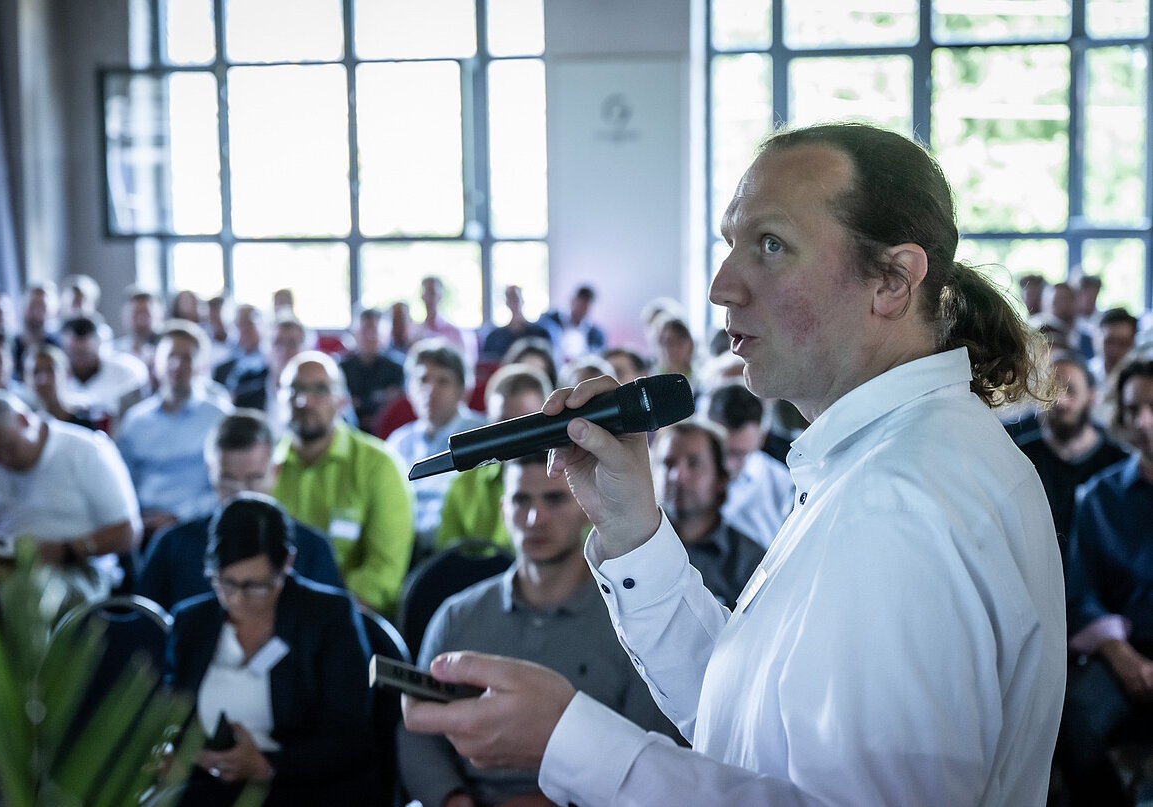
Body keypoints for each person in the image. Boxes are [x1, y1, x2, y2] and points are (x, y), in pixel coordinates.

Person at [403, 121, 1066, 806]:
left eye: (771, 246)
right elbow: (749, 723)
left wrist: (570, 742)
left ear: (892, 282)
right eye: (730, 245)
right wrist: (633, 528)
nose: (723, 286)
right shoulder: (877, 462)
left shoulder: (901, 499)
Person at [397, 453, 679, 807]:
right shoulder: (457, 615)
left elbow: (650, 744)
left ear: (584, 507)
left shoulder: (629, 619)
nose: (534, 518)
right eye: (520, 501)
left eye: (554, 499)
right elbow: (419, 734)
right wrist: (453, 800)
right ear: (503, 510)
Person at [164, 493, 382, 805]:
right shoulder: (191, 622)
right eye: (226, 583)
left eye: (255, 585)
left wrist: (267, 765)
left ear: (287, 564)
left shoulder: (328, 618)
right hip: (210, 789)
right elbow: (174, 716)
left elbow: (351, 739)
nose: (237, 599)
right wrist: (179, 756)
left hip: (304, 789)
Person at [1059, 357, 1153, 805]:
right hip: (1123, 651)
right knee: (1068, 713)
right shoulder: (1100, 495)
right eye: (1134, 410)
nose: (1145, 422)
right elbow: (1081, 592)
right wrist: (1121, 654)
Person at [138, 409, 341, 611]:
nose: (242, 493)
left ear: (276, 472)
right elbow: (141, 632)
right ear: (211, 472)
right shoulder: (172, 546)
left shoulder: (314, 550)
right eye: (229, 481)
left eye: (254, 479)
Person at [269, 351, 414, 615]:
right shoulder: (264, 467)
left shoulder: (380, 465)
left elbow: (383, 574)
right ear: (279, 398)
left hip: (350, 619)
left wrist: (322, 615)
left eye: (320, 390)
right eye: (294, 389)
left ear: (343, 401)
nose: (304, 401)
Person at [0, 390, 141, 593]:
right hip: (5, 568)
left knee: (29, 594)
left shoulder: (86, 450)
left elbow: (128, 532)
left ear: (24, 421)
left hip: (78, 567)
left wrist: (65, 550)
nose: (2, 460)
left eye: (9, 448)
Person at [116, 322, 234, 538]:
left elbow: (229, 484)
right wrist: (141, 518)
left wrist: (179, 516)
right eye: (170, 356)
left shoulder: (219, 417)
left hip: (200, 526)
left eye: (187, 358)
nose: (177, 365)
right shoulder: (135, 421)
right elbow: (122, 482)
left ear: (200, 365)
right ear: (156, 363)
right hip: (142, 528)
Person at [1013, 351, 1129, 553]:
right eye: (1049, 390)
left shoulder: (1119, 465)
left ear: (1091, 396)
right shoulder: (1018, 458)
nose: (1059, 400)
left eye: (1070, 390)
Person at [436, 364, 554, 552]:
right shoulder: (463, 486)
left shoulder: (570, 483)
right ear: (488, 422)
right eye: (502, 424)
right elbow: (448, 564)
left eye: (525, 422)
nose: (513, 437)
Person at [652, 420, 766, 608]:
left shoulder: (751, 564)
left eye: (693, 463)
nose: (677, 476)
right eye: (668, 463)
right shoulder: (638, 546)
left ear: (721, 478)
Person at [386, 339, 485, 552]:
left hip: (460, 550)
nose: (430, 390)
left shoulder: (481, 436)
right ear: (409, 390)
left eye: (443, 381)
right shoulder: (399, 441)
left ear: (462, 390)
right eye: (422, 380)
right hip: (402, 548)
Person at [705, 382, 794, 549]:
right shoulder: (679, 473)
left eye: (740, 454)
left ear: (761, 438)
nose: (728, 465)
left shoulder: (782, 484)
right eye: (720, 451)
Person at [340, 307, 404, 435]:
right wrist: (381, 398)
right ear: (354, 333)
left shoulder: (398, 368)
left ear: (386, 333)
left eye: (375, 330)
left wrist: (359, 402)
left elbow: (398, 406)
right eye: (365, 330)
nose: (370, 336)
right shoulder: (342, 368)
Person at [481, 285, 553, 362]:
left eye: (517, 299)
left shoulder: (540, 333)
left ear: (523, 300)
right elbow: (487, 364)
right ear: (507, 303)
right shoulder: (494, 337)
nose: (514, 304)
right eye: (511, 299)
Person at [538, 285, 605, 362]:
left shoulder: (595, 334)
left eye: (586, 307)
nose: (582, 310)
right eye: (581, 305)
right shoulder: (548, 322)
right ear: (572, 301)